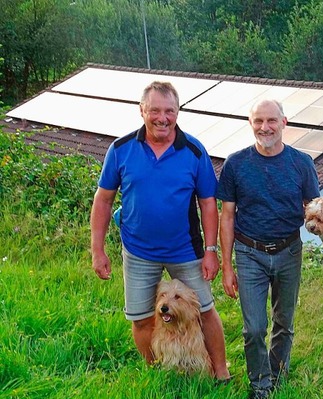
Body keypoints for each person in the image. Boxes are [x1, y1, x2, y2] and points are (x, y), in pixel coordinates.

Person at [90, 81, 230, 381]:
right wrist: (98, 249)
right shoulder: (121, 149)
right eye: (155, 110)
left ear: (178, 112)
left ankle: (220, 372)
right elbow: (103, 199)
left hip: (185, 250)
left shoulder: (193, 151)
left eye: (169, 111)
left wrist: (210, 251)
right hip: (138, 252)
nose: (162, 118)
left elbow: (208, 203)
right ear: (142, 111)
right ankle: (159, 372)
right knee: (141, 319)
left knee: (204, 311)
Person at [217, 99, 320, 399]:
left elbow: (314, 208)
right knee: (254, 328)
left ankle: (277, 374)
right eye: (258, 121)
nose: (265, 127)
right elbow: (227, 215)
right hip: (250, 252)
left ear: (284, 123)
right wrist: (226, 265)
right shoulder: (235, 164)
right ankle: (259, 385)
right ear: (251, 124)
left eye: (271, 120)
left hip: (289, 250)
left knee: (284, 322)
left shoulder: (302, 163)